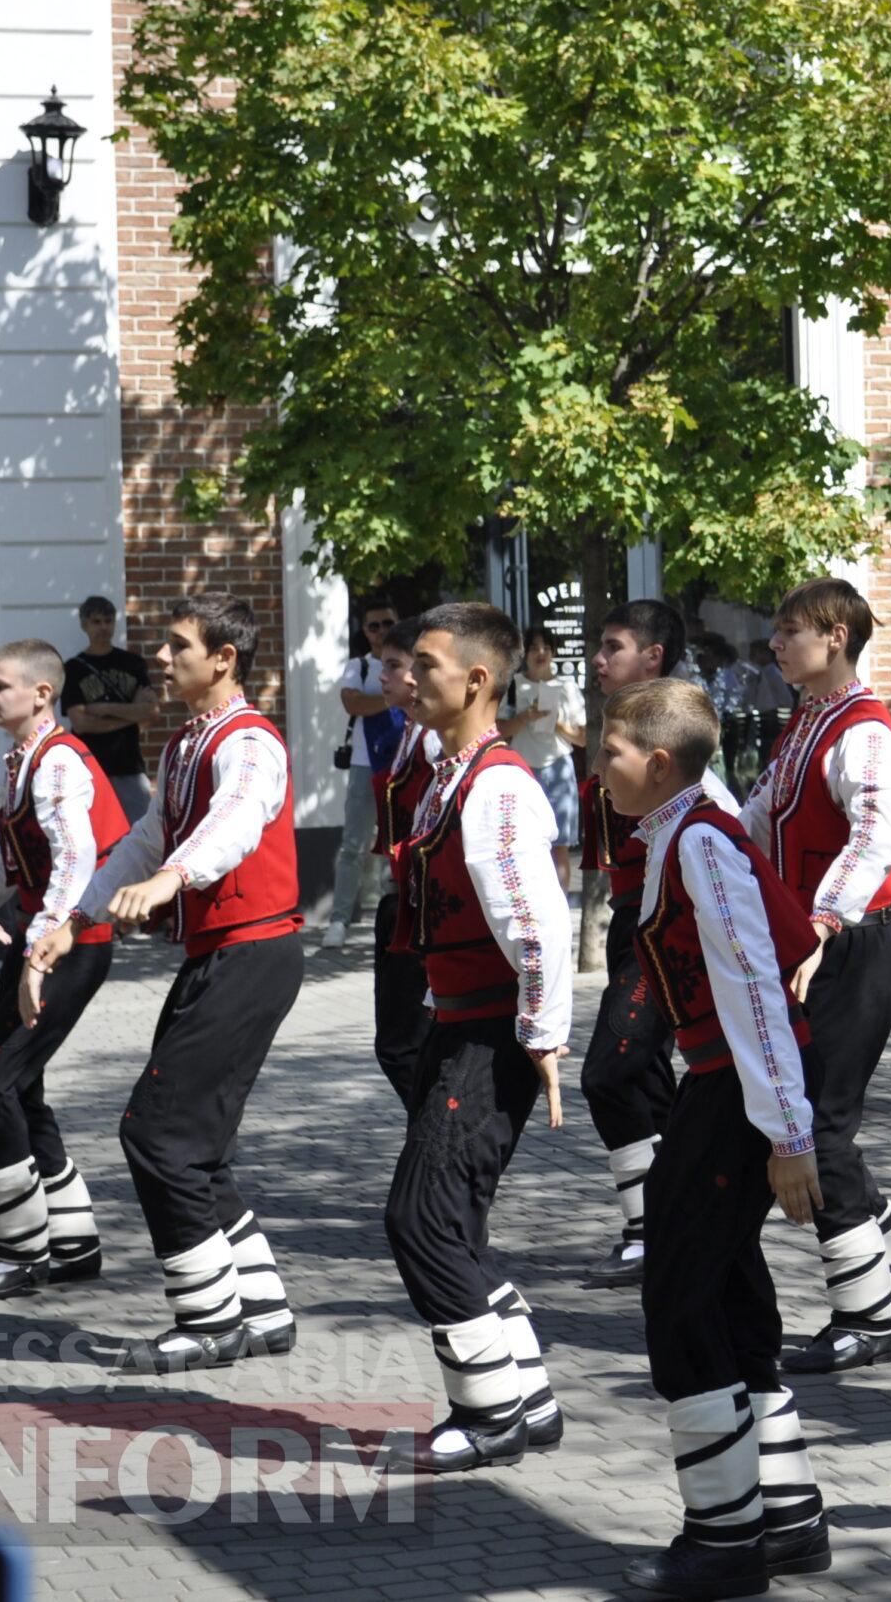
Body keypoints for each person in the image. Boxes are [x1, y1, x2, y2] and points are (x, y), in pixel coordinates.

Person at [598, 680, 834, 1596]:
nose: (599, 767)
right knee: (727, 1287)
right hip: (722, 1080)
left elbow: (753, 986)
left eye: (612, 751)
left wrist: (788, 1136)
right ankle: (786, 1515)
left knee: (683, 1296)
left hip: (738, 1087)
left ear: (659, 763)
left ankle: (726, 1539)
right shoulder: (680, 829)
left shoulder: (698, 839)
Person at [29, 593, 302, 1372]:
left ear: (224, 658)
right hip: (221, 955)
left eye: (178, 645)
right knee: (194, 1144)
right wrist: (77, 919)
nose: (162, 657)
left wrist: (176, 877)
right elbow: (146, 838)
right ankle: (261, 1308)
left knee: (156, 1135)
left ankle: (210, 1321)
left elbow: (238, 820)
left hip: (252, 953)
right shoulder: (188, 742)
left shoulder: (248, 742)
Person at [379, 602, 573, 1471]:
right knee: (452, 1218)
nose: (408, 679)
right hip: (453, 1019)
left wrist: (541, 1036)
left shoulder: (496, 786)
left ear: (477, 680)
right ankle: (524, 1393)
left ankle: (490, 1412)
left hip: (491, 1030)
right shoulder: (449, 769)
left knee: (420, 1219)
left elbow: (537, 924)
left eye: (424, 665)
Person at [744, 578, 891, 1375]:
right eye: (778, 632)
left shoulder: (863, 730)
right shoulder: (807, 722)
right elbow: (755, 818)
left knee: (821, 1124)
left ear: (837, 637)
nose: (778, 644)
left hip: (858, 942)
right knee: (825, 1117)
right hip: (822, 940)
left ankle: (864, 1315)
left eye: (792, 632)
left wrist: (823, 917)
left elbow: (876, 837)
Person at [0, 640, 127, 1299]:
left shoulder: (57, 761)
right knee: (17, 1084)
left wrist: (40, 948)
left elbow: (76, 860)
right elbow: (9, 862)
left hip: (71, 941)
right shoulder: (23, 760)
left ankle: (20, 1250)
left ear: (41, 694)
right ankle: (71, 1243)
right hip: (46, 937)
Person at [577, 598, 704, 1288]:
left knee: (610, 1072)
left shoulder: (676, 737)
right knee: (648, 1079)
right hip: (637, 920)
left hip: (668, 926)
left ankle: (659, 1223)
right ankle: (662, 1227)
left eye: (614, 645)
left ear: (653, 657)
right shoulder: (620, 729)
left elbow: (718, 821)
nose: (600, 658)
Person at [368, 617, 438, 1109]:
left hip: (421, 906)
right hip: (403, 900)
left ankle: (439, 1142)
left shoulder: (433, 740)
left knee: (402, 1047)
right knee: (404, 1047)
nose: (382, 676)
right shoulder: (414, 732)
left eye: (393, 665)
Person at [323, 597, 404, 948]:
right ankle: (339, 921)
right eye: (374, 626)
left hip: (401, 764)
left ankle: (396, 916)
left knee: (397, 845)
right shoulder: (359, 665)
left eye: (388, 624)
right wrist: (392, 696)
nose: (382, 631)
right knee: (353, 846)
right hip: (362, 763)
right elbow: (352, 702)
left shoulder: (411, 664)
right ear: (365, 632)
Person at [500, 626, 585, 887]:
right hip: (523, 769)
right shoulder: (514, 685)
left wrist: (557, 724)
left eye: (546, 647)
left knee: (559, 845)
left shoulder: (566, 686)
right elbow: (499, 732)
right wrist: (525, 717)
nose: (540, 653)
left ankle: (561, 904)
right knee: (523, 843)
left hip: (558, 767)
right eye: (534, 647)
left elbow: (582, 738)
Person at [63, 595, 159, 823]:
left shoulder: (133, 663)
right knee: (94, 834)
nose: (103, 627)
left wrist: (103, 707)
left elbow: (150, 712)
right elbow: (81, 724)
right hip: (88, 768)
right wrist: (130, 714)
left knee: (140, 832)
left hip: (129, 766)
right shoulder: (74, 668)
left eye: (108, 621)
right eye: (96, 622)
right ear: (84, 625)